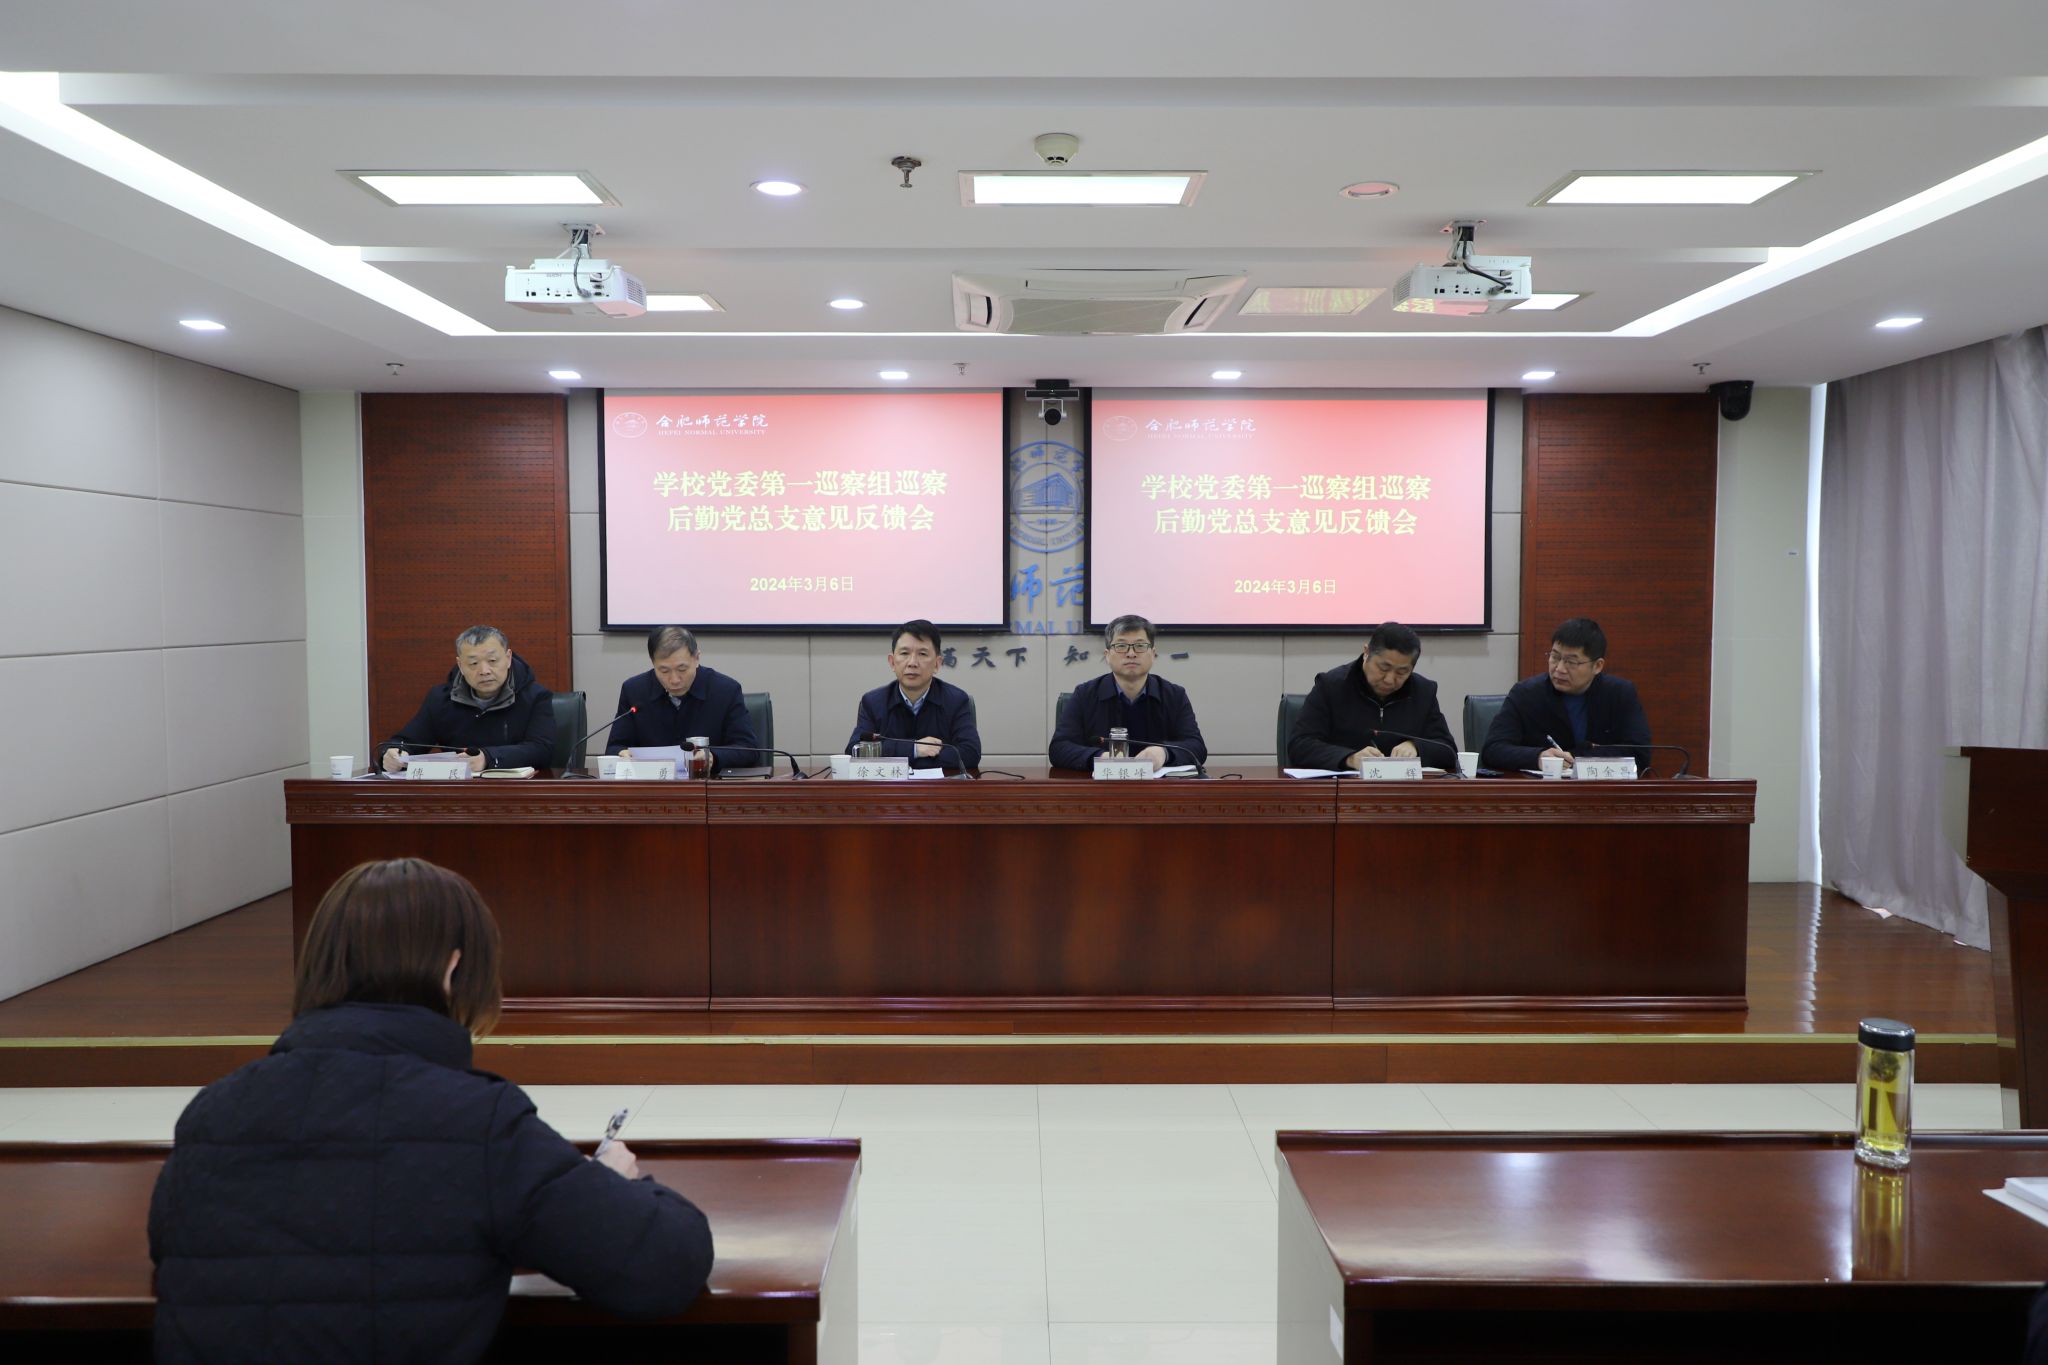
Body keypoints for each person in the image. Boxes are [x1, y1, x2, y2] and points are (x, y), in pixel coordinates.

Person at [148, 858, 713, 1364]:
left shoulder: (211, 1114)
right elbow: (664, 1266)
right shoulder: (478, 1123)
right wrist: (616, 1184)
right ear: (452, 969)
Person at [1481, 616, 1652, 773]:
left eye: (1571, 662)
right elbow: (1492, 750)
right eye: (1555, 657)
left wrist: (1578, 756)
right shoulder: (1526, 694)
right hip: (1543, 792)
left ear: (1597, 666)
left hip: (1602, 791)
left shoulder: (1620, 694)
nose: (1559, 668)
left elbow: (1640, 754)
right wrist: (1538, 757)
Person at [380, 625, 555, 773]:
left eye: (492, 660)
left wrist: (488, 758)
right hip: (458, 793)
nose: (484, 671)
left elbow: (541, 750)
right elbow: (409, 741)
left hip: (516, 792)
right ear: (461, 665)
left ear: (508, 658)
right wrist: (394, 753)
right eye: (473, 663)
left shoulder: (536, 697)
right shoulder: (441, 699)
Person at [1289, 621, 1458, 771]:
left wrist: (1416, 747)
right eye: (1383, 668)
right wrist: (1349, 758)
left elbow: (1448, 750)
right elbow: (1300, 745)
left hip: (1403, 790)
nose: (1390, 679)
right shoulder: (1331, 686)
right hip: (1345, 789)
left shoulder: (1423, 692)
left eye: (1402, 672)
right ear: (1366, 652)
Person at [1048, 614, 1207, 771]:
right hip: (1103, 785)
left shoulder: (1174, 695)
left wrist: (1164, 753)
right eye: (1121, 646)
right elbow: (1059, 748)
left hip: (1157, 786)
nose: (1131, 653)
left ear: (1153, 654)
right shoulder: (1084, 694)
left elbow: (1197, 747)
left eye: (1140, 646)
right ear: (1107, 655)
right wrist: (1101, 758)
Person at [606, 625, 761, 772]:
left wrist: (713, 757)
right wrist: (622, 754)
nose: (674, 680)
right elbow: (614, 747)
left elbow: (748, 749)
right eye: (664, 671)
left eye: (682, 669)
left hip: (708, 784)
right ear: (653, 663)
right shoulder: (634, 691)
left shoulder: (725, 691)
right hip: (652, 785)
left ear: (697, 658)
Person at [845, 619, 982, 770]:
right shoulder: (873, 702)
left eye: (922, 654)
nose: (912, 663)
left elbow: (970, 753)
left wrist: (906, 762)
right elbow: (855, 750)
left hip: (939, 785)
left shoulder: (955, 700)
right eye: (904, 653)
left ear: (937, 664)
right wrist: (915, 749)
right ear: (892, 662)